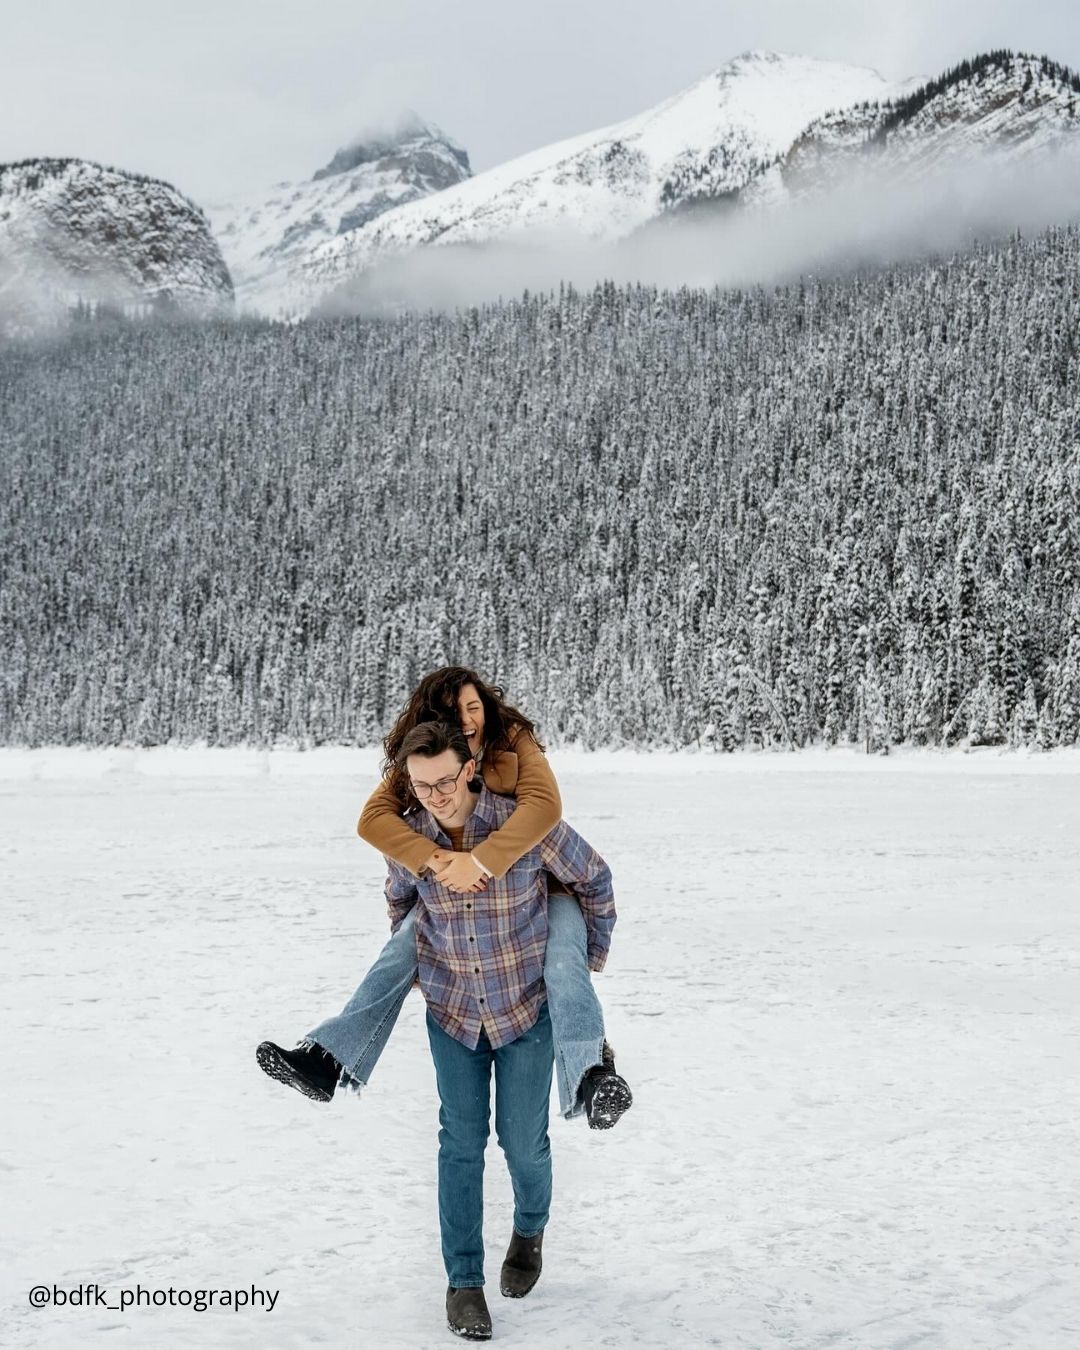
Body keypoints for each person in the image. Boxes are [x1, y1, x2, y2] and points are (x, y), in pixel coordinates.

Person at [257, 667, 632, 1128]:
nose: (467, 719)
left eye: (474, 707)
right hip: (456, 888)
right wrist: (434, 862)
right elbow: (373, 820)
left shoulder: (511, 741)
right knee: (400, 949)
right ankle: (329, 1059)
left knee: (563, 966)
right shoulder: (430, 761)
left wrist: (481, 862)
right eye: (456, 713)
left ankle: (593, 1074)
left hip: (548, 885)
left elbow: (548, 811)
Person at [389, 720, 617, 1340]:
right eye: (420, 786)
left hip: (525, 1010)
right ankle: (464, 1284)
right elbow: (400, 901)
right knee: (459, 1145)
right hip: (453, 1011)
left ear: (468, 768)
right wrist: (419, 966)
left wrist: (578, 966)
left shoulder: (523, 824)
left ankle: (530, 1228)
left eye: (443, 782)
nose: (434, 797)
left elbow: (594, 878)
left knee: (524, 1143)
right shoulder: (409, 837)